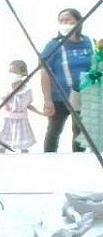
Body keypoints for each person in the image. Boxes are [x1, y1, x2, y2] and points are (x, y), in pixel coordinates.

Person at [39, 8, 93, 153]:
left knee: (80, 132)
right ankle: (49, 159)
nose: (64, 23)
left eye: (68, 20)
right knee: (54, 131)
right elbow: (45, 72)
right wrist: (47, 100)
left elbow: (94, 65)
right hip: (60, 97)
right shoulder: (53, 44)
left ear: (78, 22)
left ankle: (78, 159)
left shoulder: (87, 42)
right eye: (61, 21)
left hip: (82, 96)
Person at [0, 60, 37, 154]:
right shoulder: (6, 86)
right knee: (3, 139)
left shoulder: (27, 89)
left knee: (22, 142)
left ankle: (24, 156)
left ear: (23, 73)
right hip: (7, 118)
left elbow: (26, 104)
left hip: (21, 118)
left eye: (15, 72)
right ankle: (1, 155)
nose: (12, 74)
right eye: (10, 72)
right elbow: (2, 98)